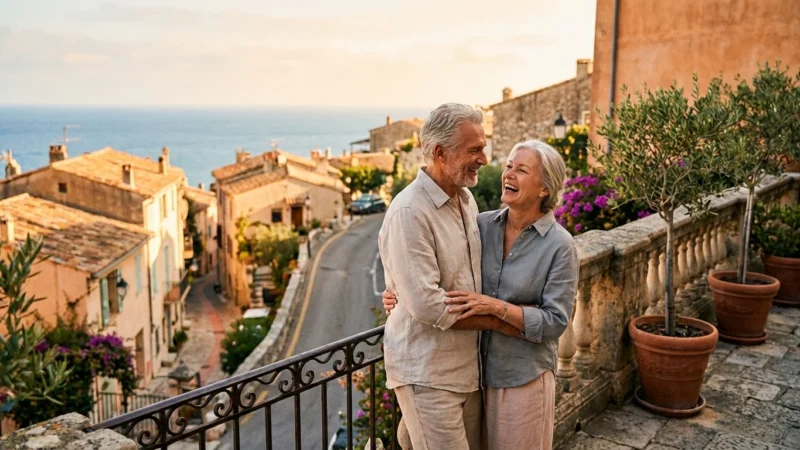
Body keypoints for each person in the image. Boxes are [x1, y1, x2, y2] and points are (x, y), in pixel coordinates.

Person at [383, 139, 578, 450]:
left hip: (523, 378)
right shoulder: (482, 225)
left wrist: (498, 309)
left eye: (522, 170)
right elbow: (436, 267)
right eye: (509, 166)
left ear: (545, 188)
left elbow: (555, 321)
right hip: (476, 378)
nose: (508, 174)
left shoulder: (560, 246)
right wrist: (398, 290)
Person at [378, 103, 521, 450]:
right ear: (440, 153)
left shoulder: (466, 200)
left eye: (483, 148)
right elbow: (429, 305)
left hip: (465, 370)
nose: (484, 159)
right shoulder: (410, 212)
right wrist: (503, 321)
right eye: (474, 150)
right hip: (427, 375)